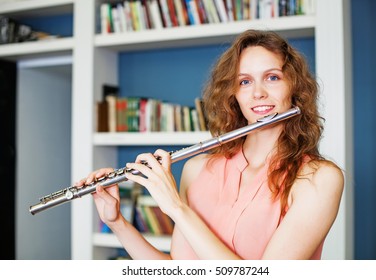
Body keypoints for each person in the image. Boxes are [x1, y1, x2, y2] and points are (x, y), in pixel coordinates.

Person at [76, 29, 344, 260]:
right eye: (245, 81)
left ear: (294, 89)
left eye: (272, 77)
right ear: (233, 94)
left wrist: (176, 208)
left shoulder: (319, 179)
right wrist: (117, 222)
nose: (258, 92)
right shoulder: (198, 168)